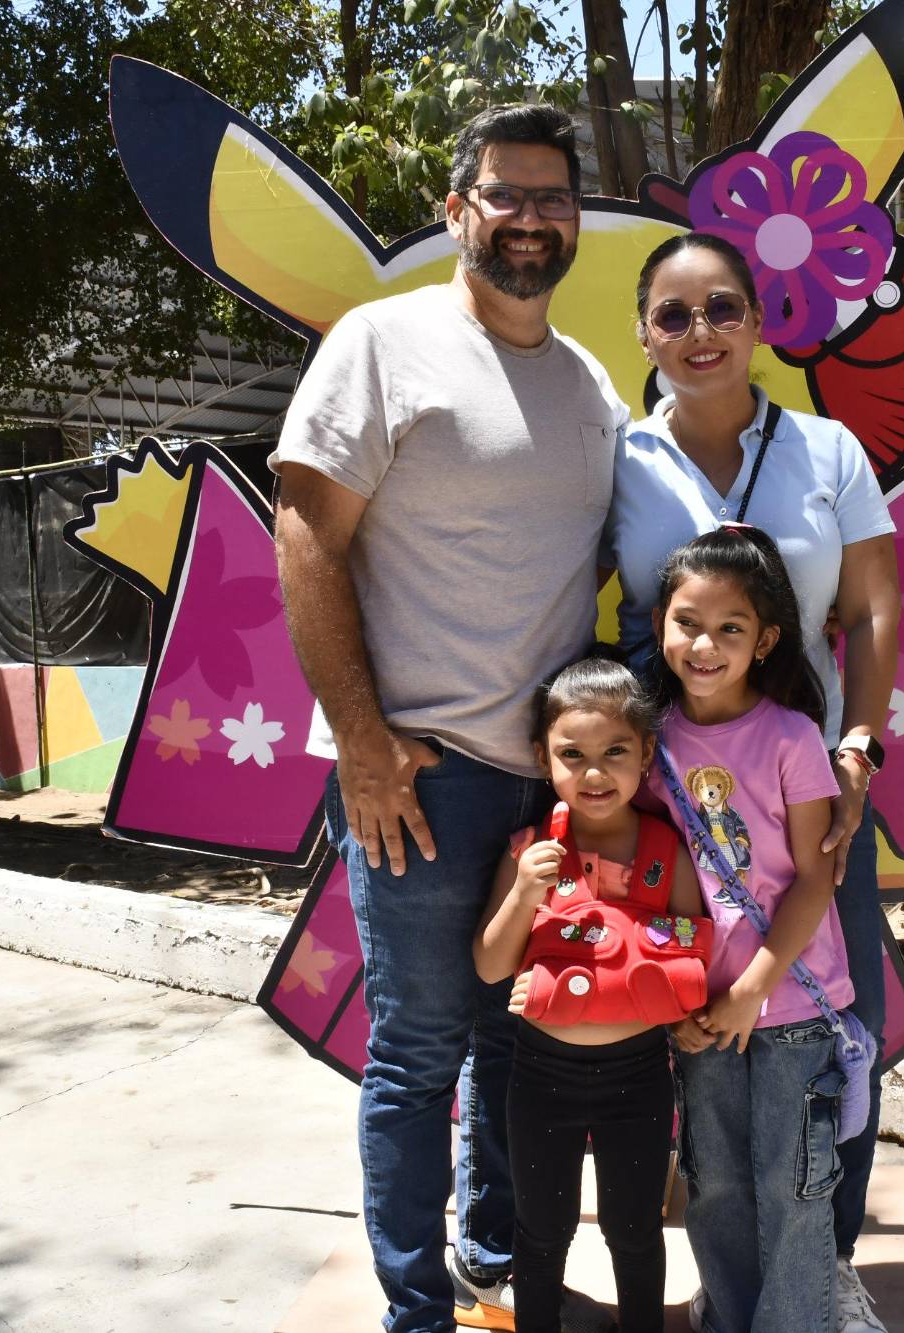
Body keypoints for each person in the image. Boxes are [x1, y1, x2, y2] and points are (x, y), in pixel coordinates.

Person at [272, 103, 625, 1332]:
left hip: (546, 788)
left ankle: (486, 1264)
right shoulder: (383, 342)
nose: (530, 218)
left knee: (516, 1044)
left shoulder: (589, 385)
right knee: (420, 1056)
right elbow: (307, 538)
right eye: (506, 194)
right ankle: (414, 1311)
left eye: (551, 197)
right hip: (418, 782)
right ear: (455, 208)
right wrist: (362, 747)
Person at [602, 232, 901, 1331]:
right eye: (672, 315)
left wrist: (859, 741)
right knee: (692, 1046)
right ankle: (735, 1282)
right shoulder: (621, 459)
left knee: (831, 1021)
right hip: (668, 800)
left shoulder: (825, 451)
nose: (698, 333)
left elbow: (870, 607)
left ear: (759, 323)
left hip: (810, 787)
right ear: (643, 333)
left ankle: (824, 1270)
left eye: (720, 308)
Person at [647, 526, 856, 1333]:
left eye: (730, 628)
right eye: (688, 622)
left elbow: (814, 878)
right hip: (697, 1008)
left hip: (790, 1010)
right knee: (717, 1180)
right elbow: (649, 877)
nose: (705, 644)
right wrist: (679, 998)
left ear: (765, 639)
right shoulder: (651, 738)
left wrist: (751, 992)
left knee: (794, 1184)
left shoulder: (794, 738)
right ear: (661, 621)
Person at [473, 654, 704, 1333]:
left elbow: (691, 950)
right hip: (541, 1074)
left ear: (647, 755)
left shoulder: (668, 850)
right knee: (540, 1233)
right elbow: (489, 966)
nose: (594, 772)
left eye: (615, 752)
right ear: (545, 760)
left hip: (639, 1076)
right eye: (572, 754)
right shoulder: (527, 850)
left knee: (634, 1232)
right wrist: (524, 891)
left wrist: (687, 1013)